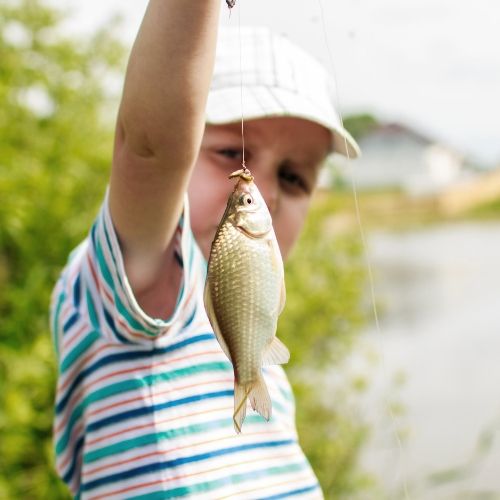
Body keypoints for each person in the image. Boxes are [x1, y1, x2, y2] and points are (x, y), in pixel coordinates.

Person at [50, 1, 360, 498]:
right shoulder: (139, 282)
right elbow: (151, 150)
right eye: (230, 155)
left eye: (293, 177)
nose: (267, 189)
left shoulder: (255, 348)